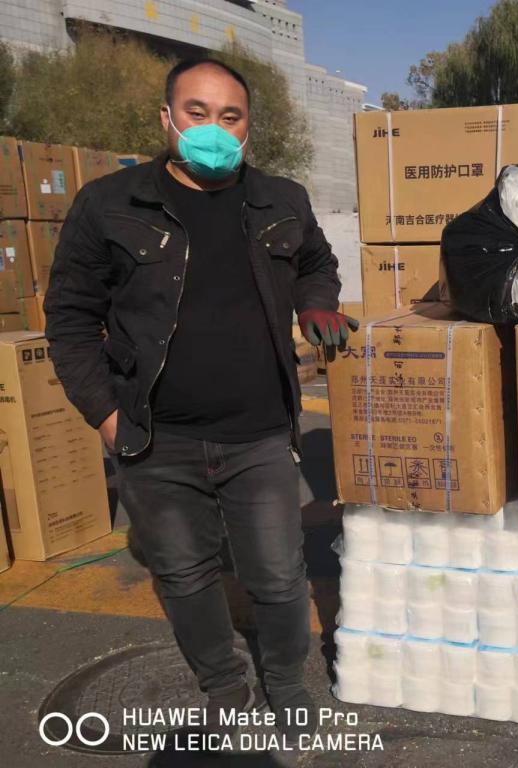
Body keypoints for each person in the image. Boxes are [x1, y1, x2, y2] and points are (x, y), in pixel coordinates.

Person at [43, 58, 358, 743]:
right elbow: (69, 319)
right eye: (197, 112)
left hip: (260, 433)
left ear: (247, 128)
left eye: (229, 116)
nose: (213, 128)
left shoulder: (282, 199)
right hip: (154, 439)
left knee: (278, 576)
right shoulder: (110, 204)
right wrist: (106, 416)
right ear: (167, 118)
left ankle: (284, 683)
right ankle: (223, 685)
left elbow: (316, 263)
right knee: (184, 577)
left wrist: (316, 302)